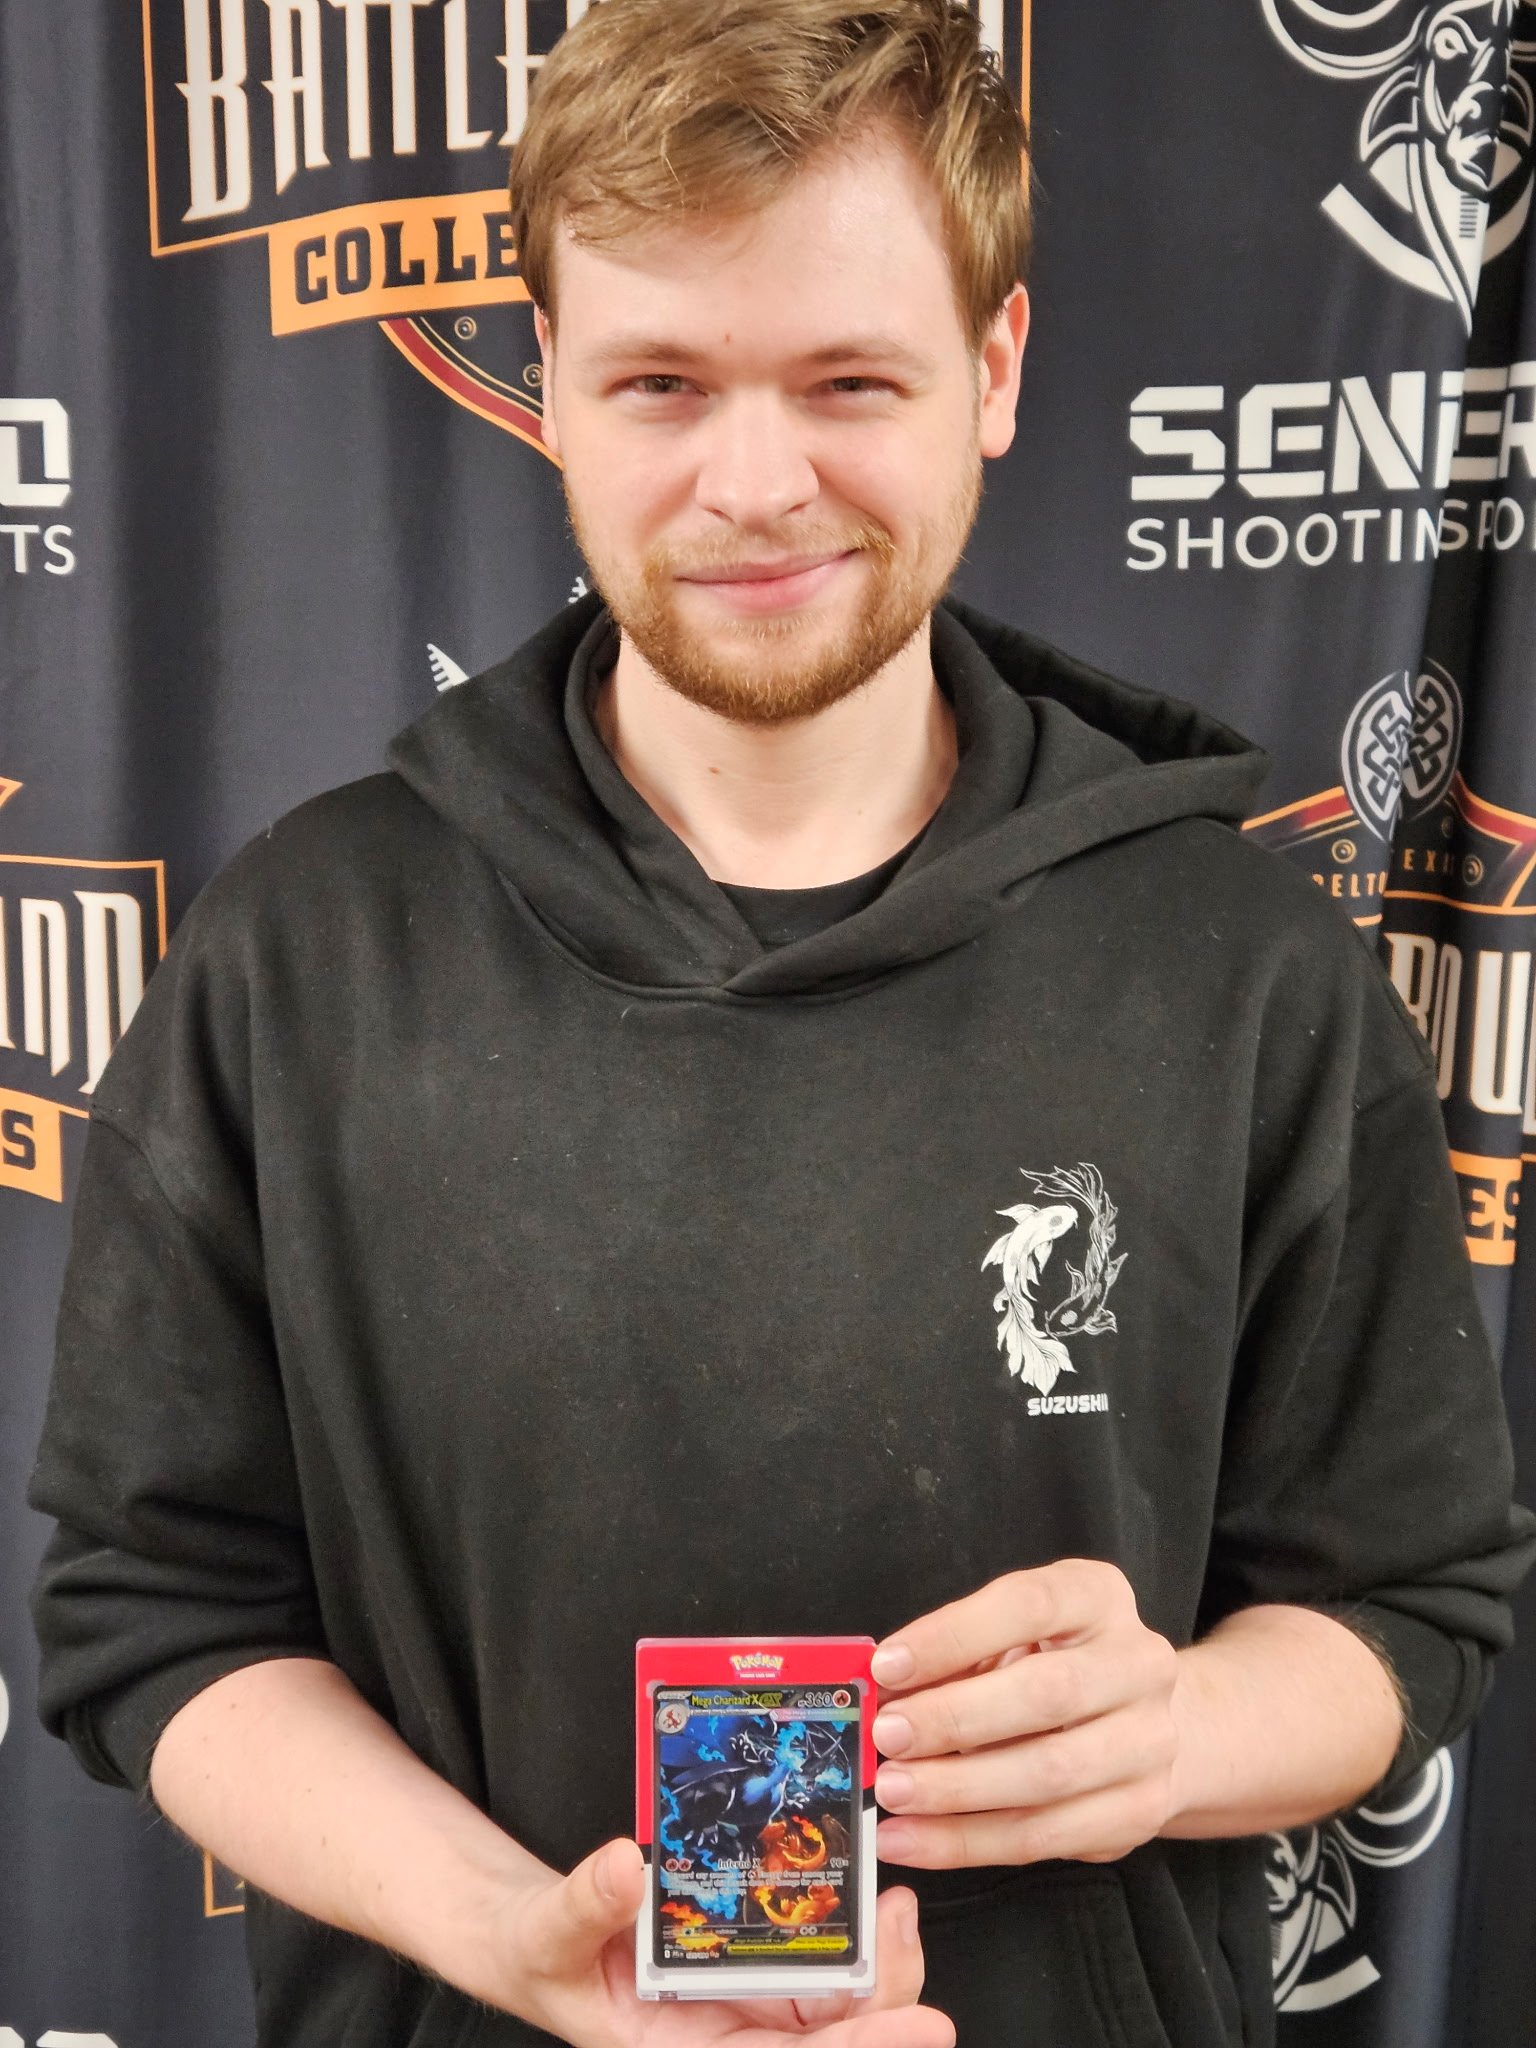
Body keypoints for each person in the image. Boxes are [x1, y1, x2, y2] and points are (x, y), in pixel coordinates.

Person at [27, 1, 1536, 2044]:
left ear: (994, 371)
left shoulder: (1241, 962)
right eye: (661, 381)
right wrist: (511, 1932)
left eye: (849, 381)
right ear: (547, 376)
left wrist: (1178, 1731)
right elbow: (156, 1614)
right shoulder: (303, 952)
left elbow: (1410, 1604)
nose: (756, 483)